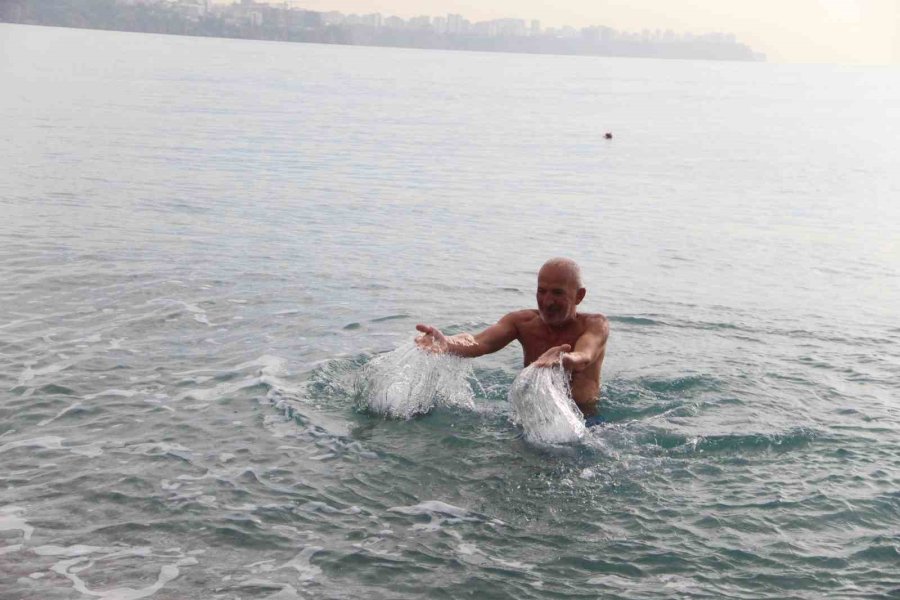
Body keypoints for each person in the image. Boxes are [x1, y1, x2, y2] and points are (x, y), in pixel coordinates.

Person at [415, 257, 609, 421]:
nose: (547, 301)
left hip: (583, 420)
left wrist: (563, 359)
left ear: (579, 296)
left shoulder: (594, 325)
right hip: (531, 417)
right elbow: (480, 342)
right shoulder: (522, 322)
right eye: (542, 291)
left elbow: (584, 356)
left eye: (557, 293)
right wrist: (446, 343)